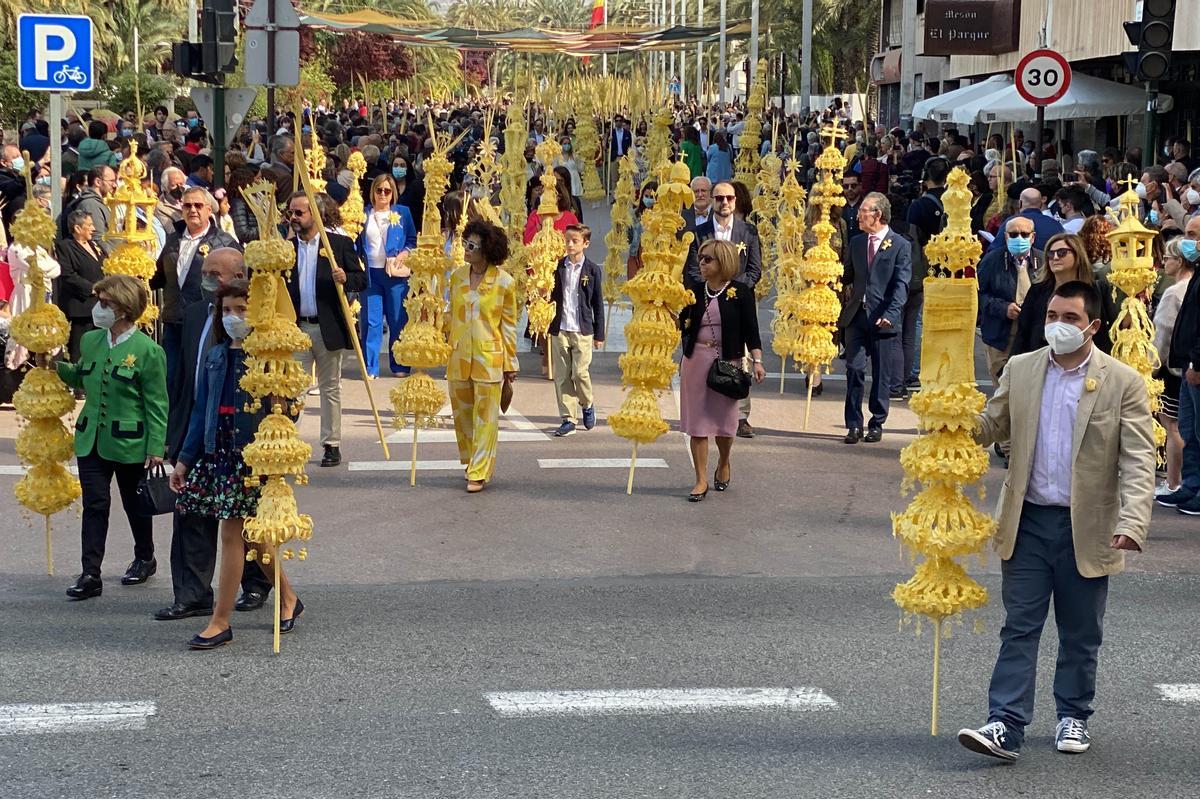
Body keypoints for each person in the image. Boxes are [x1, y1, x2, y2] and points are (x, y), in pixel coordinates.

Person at [958, 280, 1155, 762]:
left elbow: (1137, 459)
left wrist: (1132, 521)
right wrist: (950, 415)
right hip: (1026, 521)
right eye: (1051, 316)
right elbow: (992, 425)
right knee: (1019, 627)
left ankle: (1073, 714)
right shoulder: (1022, 369)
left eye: (1070, 318)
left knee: (1080, 632)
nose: (1058, 326)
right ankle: (1005, 724)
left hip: (1087, 527)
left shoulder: (1123, 382)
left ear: (1093, 326)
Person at [170, 280, 302, 650]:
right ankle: (288, 597)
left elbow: (289, 412)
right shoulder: (216, 355)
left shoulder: (268, 357)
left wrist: (281, 407)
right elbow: (201, 411)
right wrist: (184, 460)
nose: (232, 317)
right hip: (220, 454)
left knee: (233, 533)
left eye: (241, 310)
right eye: (226, 310)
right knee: (252, 536)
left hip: (255, 455)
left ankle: (220, 621)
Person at [157, 249, 271, 620]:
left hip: (245, 444)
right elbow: (182, 376)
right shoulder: (194, 315)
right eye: (204, 272)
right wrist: (178, 445)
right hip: (202, 432)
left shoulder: (265, 343)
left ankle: (258, 589)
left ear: (239, 275)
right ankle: (193, 595)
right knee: (192, 513)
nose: (206, 280)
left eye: (215, 274)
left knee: (245, 526)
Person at [56, 275, 169, 600]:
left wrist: (156, 446)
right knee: (95, 503)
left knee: (135, 503)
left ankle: (145, 556)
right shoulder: (92, 340)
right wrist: (54, 366)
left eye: (104, 302)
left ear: (123, 307)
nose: (98, 308)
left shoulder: (148, 350)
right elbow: (82, 376)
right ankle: (90, 573)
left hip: (129, 440)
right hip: (91, 437)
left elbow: (157, 402)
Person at [677, 240, 765, 501]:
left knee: (725, 424)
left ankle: (724, 461)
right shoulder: (694, 291)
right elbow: (682, 325)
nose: (702, 264)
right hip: (696, 361)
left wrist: (757, 361)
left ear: (723, 262)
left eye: (708, 259)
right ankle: (701, 480)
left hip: (727, 363)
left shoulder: (740, 292)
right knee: (697, 424)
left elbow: (751, 330)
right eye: (700, 259)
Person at [286, 191, 367, 467]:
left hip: (326, 327)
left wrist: (345, 278)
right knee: (293, 388)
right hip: (297, 328)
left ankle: (331, 444)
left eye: (299, 212)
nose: (294, 218)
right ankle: (288, 443)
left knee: (330, 387)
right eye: (291, 213)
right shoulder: (287, 248)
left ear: (316, 214)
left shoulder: (338, 245)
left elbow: (361, 279)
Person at [685, 181, 763, 438]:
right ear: (712, 200)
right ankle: (704, 412)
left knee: (739, 357)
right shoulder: (700, 231)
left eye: (729, 198)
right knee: (704, 352)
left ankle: (741, 415)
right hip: (706, 300)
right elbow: (693, 269)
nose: (724, 202)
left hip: (737, 302)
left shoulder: (748, 231)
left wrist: (735, 291)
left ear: (735, 200)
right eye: (719, 198)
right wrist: (709, 287)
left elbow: (754, 269)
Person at [448, 220, 519, 493]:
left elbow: (509, 326)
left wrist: (510, 364)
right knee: (463, 417)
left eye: (472, 245)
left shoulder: (505, 283)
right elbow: (450, 314)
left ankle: (479, 471)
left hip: (489, 359)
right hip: (459, 356)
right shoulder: (457, 277)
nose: (466, 249)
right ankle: (471, 463)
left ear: (487, 250)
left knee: (486, 420)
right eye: (465, 243)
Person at [838, 192, 912, 444]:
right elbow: (847, 275)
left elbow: (901, 284)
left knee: (881, 374)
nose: (858, 215)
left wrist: (891, 313)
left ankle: (877, 422)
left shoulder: (900, 245)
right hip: (856, 316)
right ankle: (853, 424)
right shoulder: (857, 242)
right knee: (854, 368)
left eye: (863, 211)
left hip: (883, 318)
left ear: (877, 215)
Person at [151, 186, 239, 395]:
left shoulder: (223, 241)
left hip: (205, 321)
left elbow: (238, 281)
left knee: (198, 378)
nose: (192, 210)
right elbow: (158, 276)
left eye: (198, 205)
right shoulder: (173, 239)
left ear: (209, 209)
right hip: (174, 319)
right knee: (171, 378)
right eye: (187, 205)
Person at [1012, 233, 1117, 357]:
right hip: (1043, 357)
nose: (1055, 257)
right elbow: (1023, 332)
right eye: (1050, 254)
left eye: (1062, 252)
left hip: (1089, 358)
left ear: (1077, 255)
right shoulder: (1037, 290)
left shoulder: (1098, 289)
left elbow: (1115, 326)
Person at [357, 174, 417, 379]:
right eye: (379, 190)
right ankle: (370, 367)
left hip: (395, 273)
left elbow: (412, 239)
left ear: (393, 193)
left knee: (397, 319)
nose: (383, 194)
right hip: (371, 274)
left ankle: (400, 364)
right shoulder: (363, 214)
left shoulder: (402, 213)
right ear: (373, 192)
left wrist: (404, 253)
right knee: (371, 322)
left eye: (387, 190)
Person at [1159, 216, 1200, 514]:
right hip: (1187, 365)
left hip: (1196, 366)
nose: (1189, 241)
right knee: (1188, 429)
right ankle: (1191, 485)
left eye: (1193, 235)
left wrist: (1197, 361)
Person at [549, 224, 605, 437]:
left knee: (580, 373)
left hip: (582, 329)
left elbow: (597, 304)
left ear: (586, 243)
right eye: (567, 241)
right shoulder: (557, 267)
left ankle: (587, 403)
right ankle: (568, 418)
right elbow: (549, 294)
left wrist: (599, 334)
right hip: (560, 328)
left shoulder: (592, 270)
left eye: (575, 241)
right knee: (562, 376)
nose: (570, 244)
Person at [977, 216, 1042, 384]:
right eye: (1013, 235)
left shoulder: (1043, 261)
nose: (1019, 239)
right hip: (1001, 336)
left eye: (1024, 234)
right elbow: (978, 294)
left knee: (1030, 385)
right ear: (1006, 236)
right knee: (1003, 386)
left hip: (1033, 336)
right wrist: (1003, 308)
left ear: (1032, 237)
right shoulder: (992, 260)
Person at [1153, 238, 1193, 498]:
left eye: (1167, 258)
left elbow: (1163, 335)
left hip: (1174, 369)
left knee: (1173, 426)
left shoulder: (1174, 292)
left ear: (1179, 261)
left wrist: (1152, 366)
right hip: (1188, 365)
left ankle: (1173, 482)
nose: (1164, 262)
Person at [55, 209, 107, 365]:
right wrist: (92, 288)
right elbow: (67, 275)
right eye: (89, 225)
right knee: (80, 349)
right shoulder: (65, 246)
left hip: (100, 306)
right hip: (81, 308)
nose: (93, 228)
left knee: (99, 348)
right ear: (77, 228)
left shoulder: (94, 244)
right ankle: (78, 378)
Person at [988, 187, 1065, 253]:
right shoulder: (1055, 225)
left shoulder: (1011, 223)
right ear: (1041, 204)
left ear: (1020, 203)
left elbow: (994, 249)